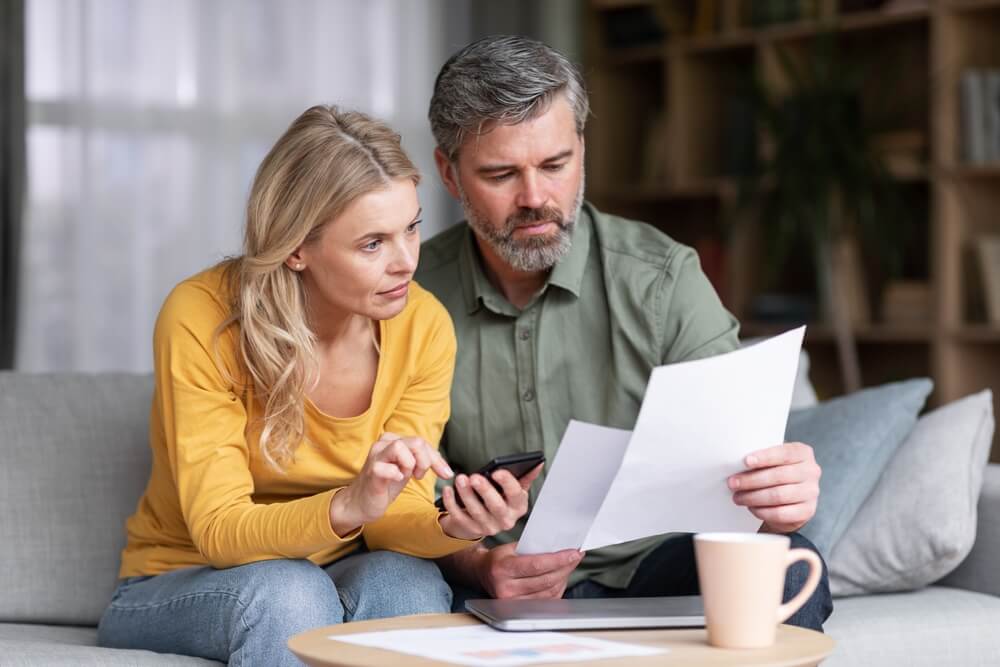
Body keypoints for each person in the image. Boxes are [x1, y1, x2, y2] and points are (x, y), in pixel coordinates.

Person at [415, 35, 833, 629]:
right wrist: (479, 565)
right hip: (481, 578)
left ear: (582, 148)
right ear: (449, 174)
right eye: (501, 173)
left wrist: (779, 502)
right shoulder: (408, 296)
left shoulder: (663, 279)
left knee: (787, 565)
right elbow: (390, 499)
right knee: (402, 588)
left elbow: (740, 473)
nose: (535, 198)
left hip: (652, 564)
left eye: (555, 165)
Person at [96, 105, 539, 666]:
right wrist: (350, 504)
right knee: (290, 593)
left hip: (335, 566)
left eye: (412, 227)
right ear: (296, 249)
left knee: (410, 587)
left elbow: (392, 523)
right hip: (185, 577)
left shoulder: (423, 325)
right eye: (372, 244)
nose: (406, 262)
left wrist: (453, 525)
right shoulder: (203, 315)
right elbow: (218, 530)